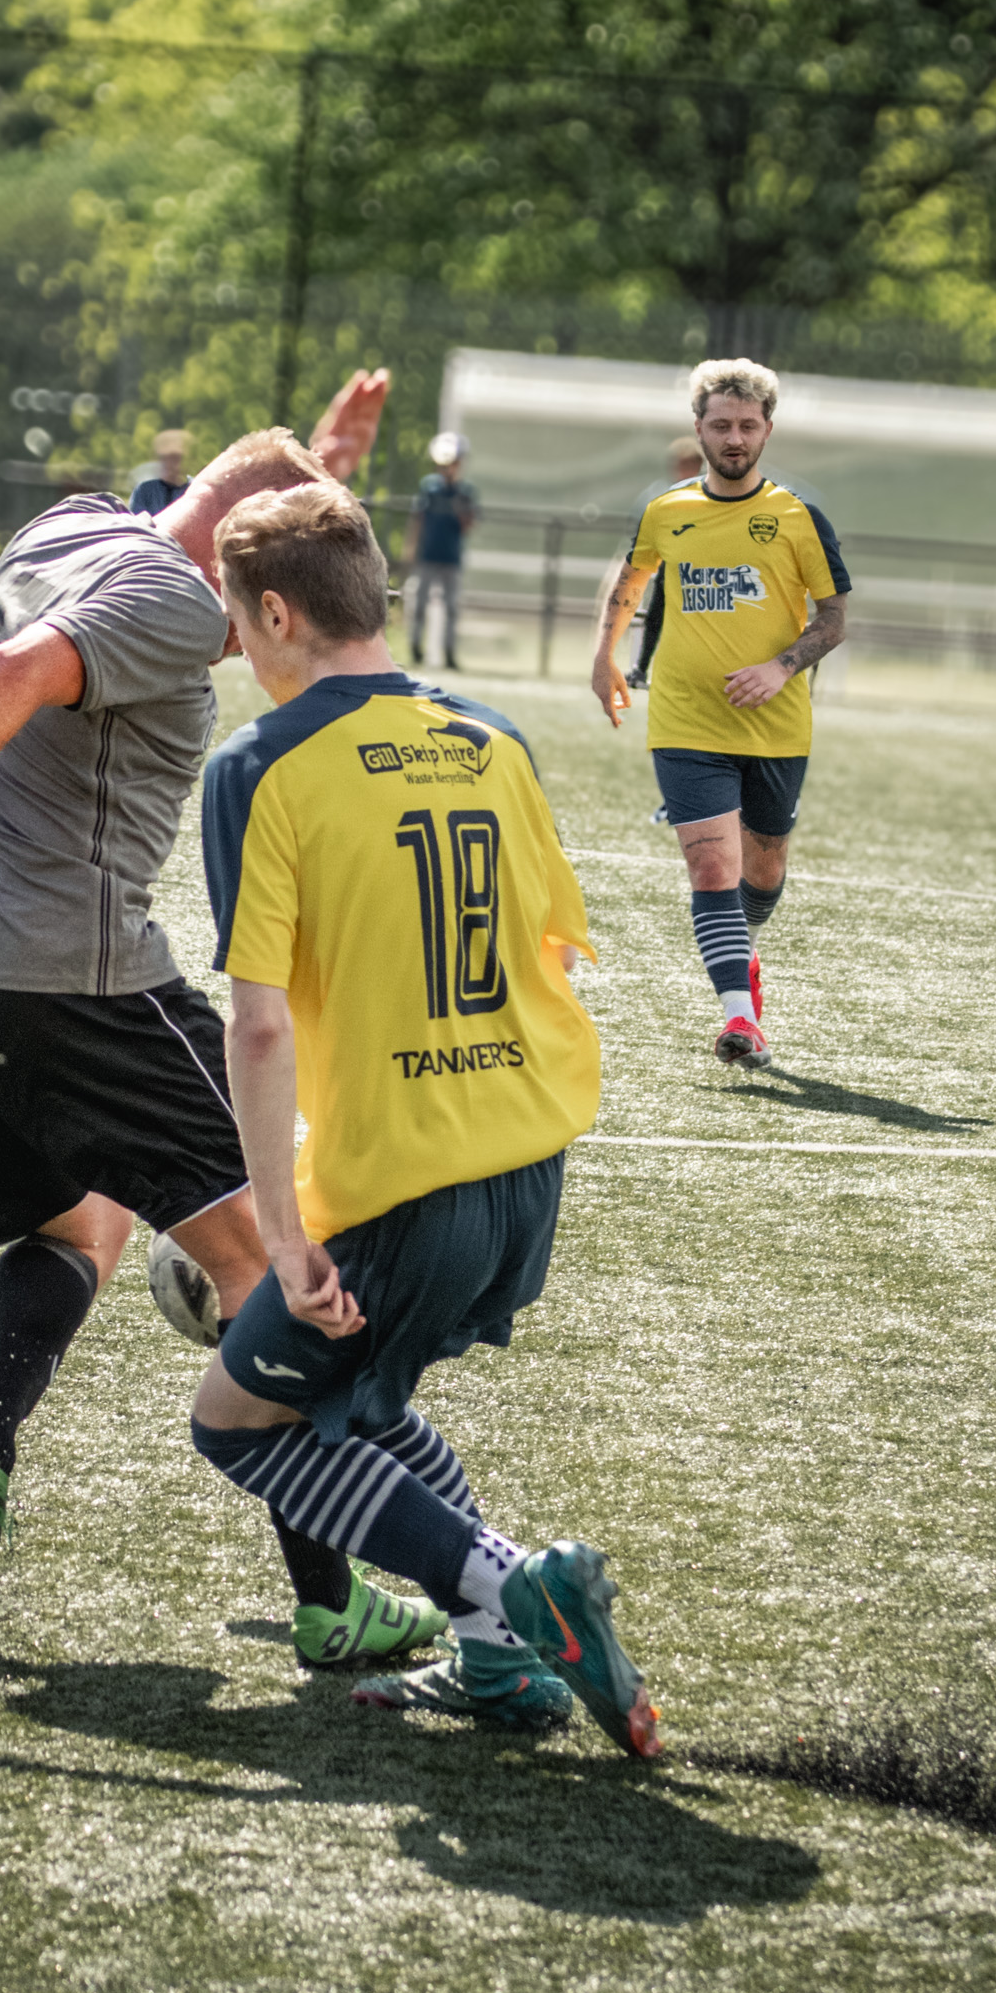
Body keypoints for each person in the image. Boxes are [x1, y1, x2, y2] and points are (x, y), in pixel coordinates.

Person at [0, 377, 446, 1678]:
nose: (262, 637)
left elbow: (191, 516)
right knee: (262, 1256)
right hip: (63, 980)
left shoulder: (71, 527)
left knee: (80, 1223)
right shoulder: (178, 602)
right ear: (243, 569)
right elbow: (22, 668)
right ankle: (334, 1601)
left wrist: (319, 472)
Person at [191, 478, 661, 1757]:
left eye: (236, 621)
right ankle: (503, 1667)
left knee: (234, 1424)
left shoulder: (259, 767)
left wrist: (283, 1232)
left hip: (406, 1187)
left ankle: (513, 1595)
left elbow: (262, 1023)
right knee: (365, 1399)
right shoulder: (491, 738)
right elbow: (551, 956)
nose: (234, 646)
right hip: (526, 1167)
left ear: (276, 613)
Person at [590, 358, 849, 1069]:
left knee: (761, 870)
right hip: (683, 719)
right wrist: (603, 654)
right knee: (711, 869)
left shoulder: (799, 517)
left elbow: (833, 621)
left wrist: (780, 668)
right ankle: (740, 1021)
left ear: (767, 429)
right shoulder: (667, 510)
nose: (734, 438)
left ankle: (746, 954)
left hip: (776, 727)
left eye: (747, 426)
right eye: (720, 425)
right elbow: (631, 577)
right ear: (698, 428)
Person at [623, 434, 703, 692]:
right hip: (669, 566)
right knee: (655, 615)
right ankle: (641, 667)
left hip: (698, 570)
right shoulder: (661, 494)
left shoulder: (707, 492)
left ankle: (692, 672)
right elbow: (643, 529)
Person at [403, 429, 477, 670]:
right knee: (419, 604)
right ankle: (415, 648)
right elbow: (418, 519)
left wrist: (458, 506)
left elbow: (468, 525)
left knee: (452, 608)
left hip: (451, 558)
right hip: (428, 556)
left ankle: (449, 652)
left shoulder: (465, 492)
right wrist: (411, 548)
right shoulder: (429, 487)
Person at [129, 430, 192, 517]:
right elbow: (136, 523)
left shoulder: (195, 489)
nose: (170, 463)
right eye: (165, 457)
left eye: (175, 457)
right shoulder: (144, 489)